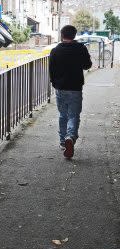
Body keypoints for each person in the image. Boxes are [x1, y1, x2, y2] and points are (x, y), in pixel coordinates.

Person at [49, 25, 92, 159]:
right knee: (73, 115)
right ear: (74, 35)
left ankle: (63, 142)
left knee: (63, 115)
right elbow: (87, 65)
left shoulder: (55, 50)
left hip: (60, 88)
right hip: (75, 88)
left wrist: (55, 83)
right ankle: (70, 137)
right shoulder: (81, 49)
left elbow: (52, 70)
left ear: (62, 35)